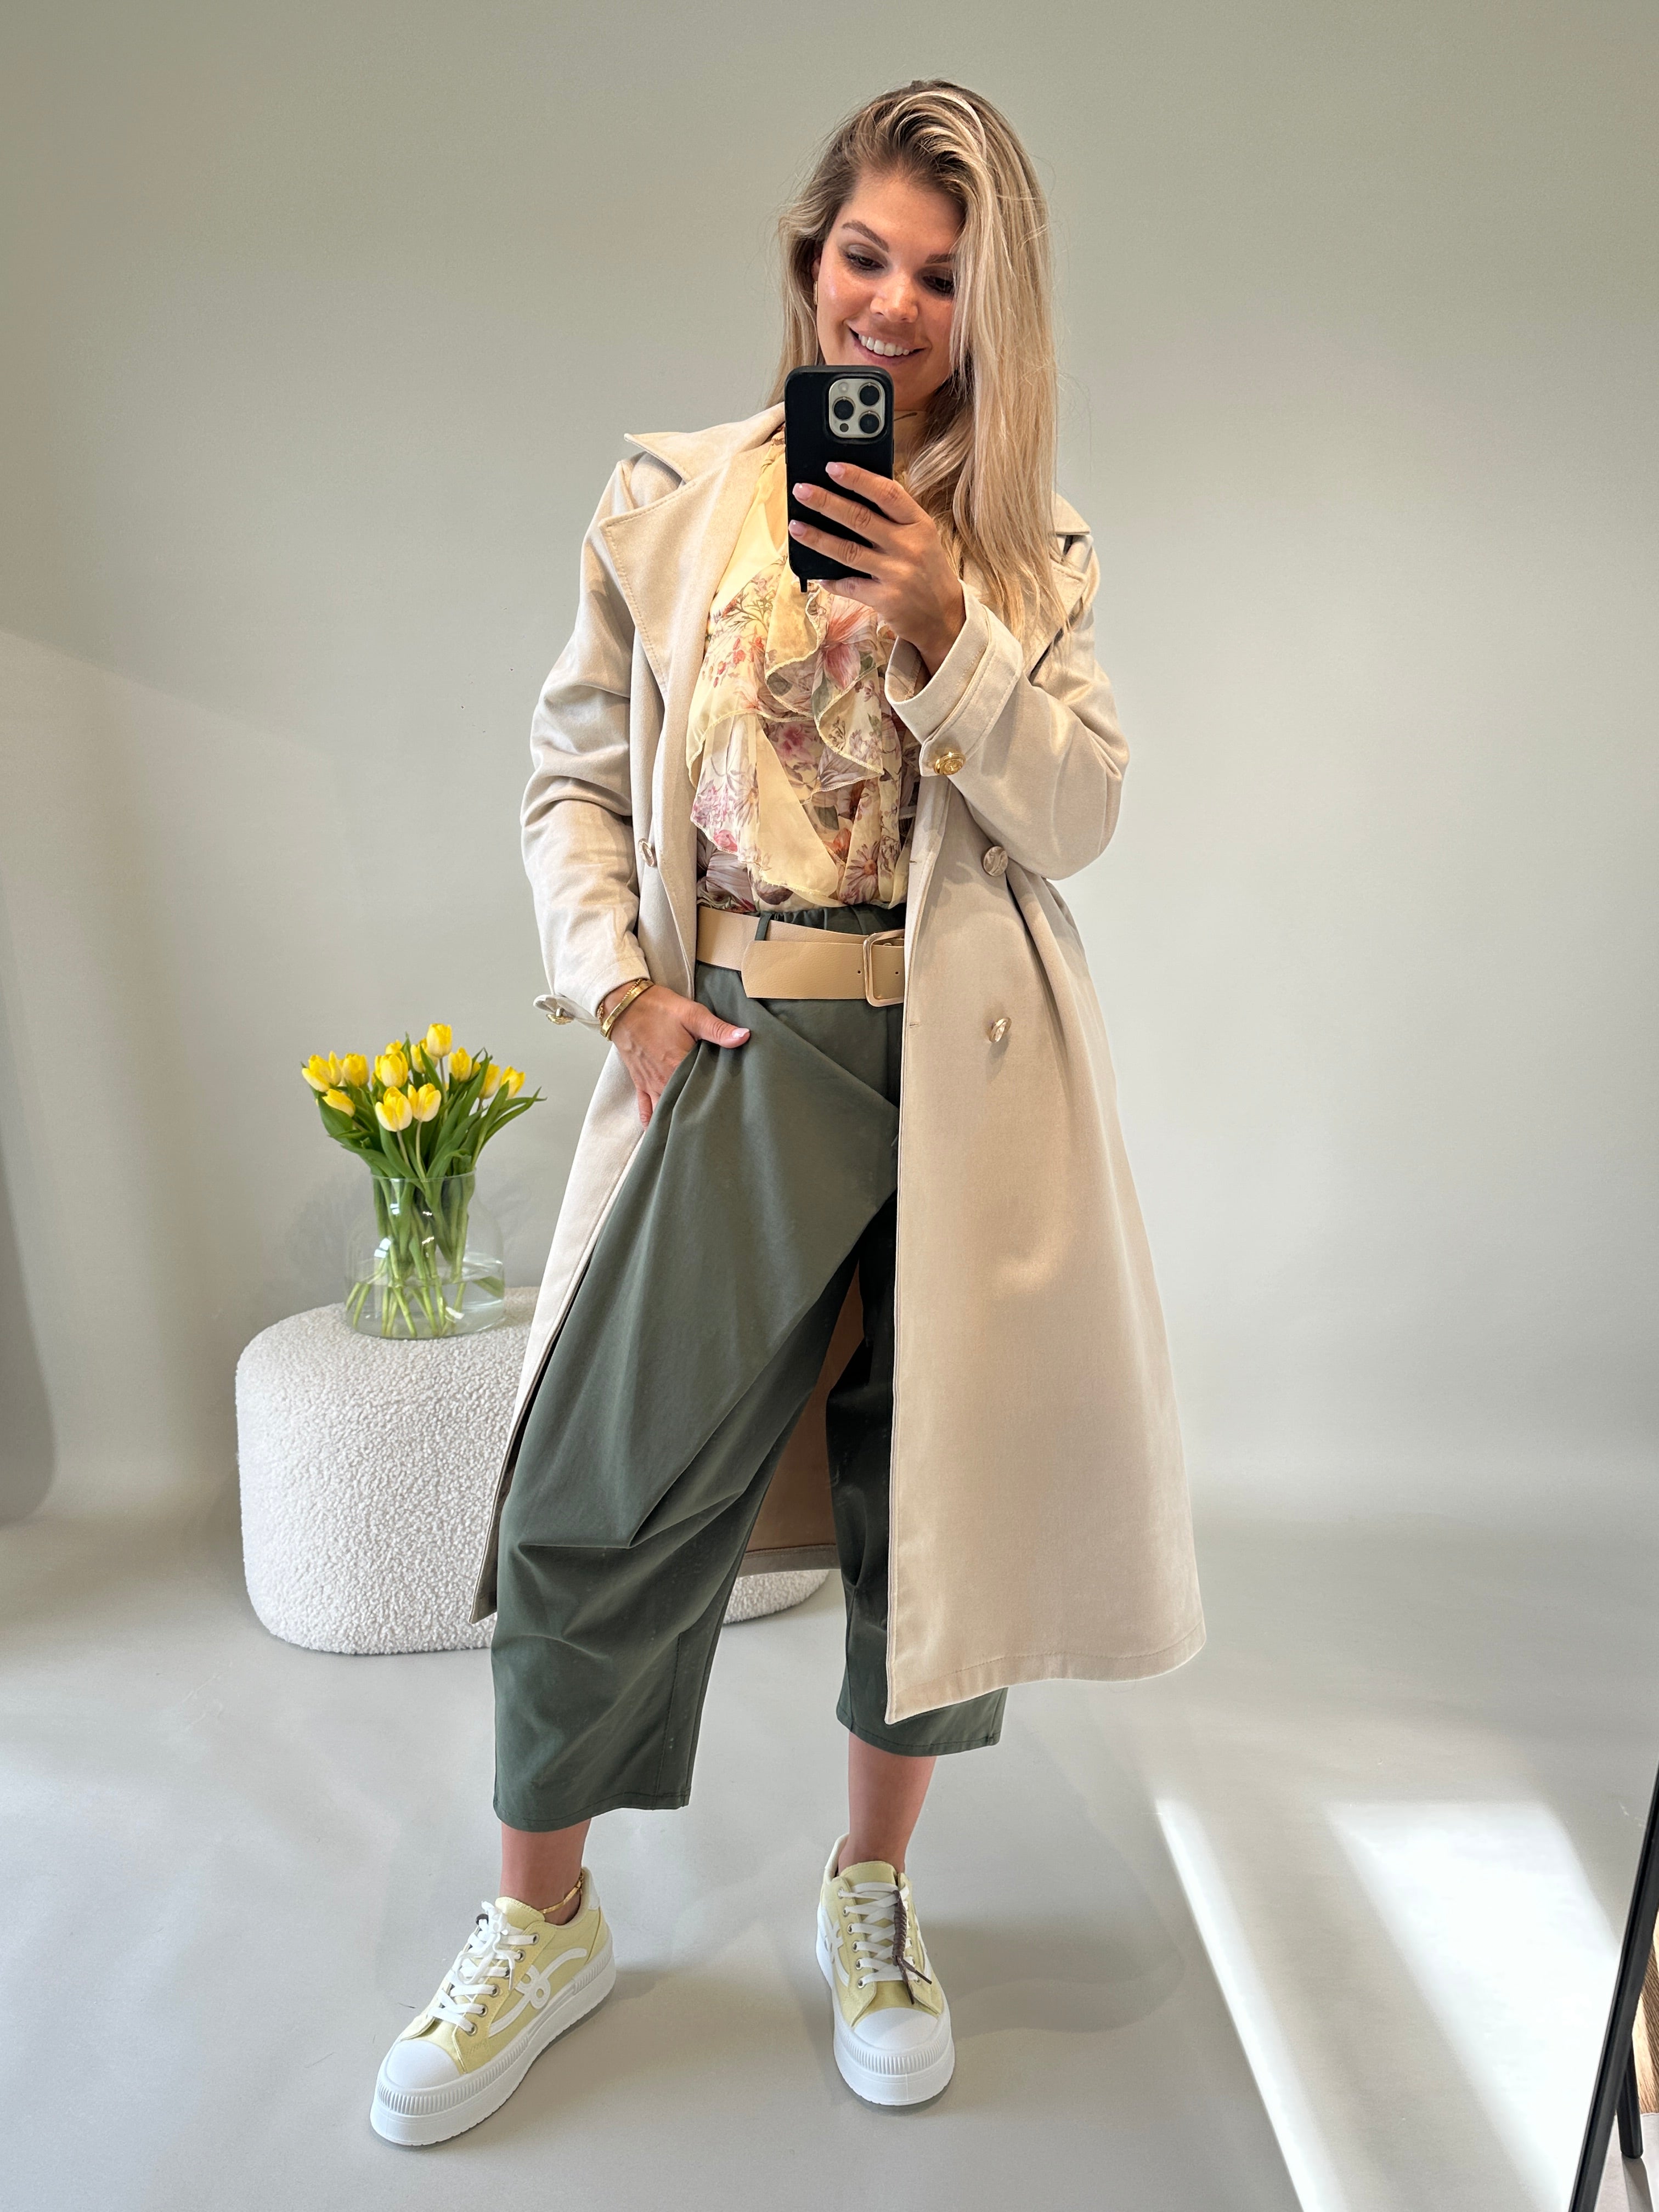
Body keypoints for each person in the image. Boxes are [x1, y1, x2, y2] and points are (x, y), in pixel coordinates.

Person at [370, 80, 1204, 2147]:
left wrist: (946, 628)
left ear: (994, 311)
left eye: (943, 276)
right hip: (743, 1047)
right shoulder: (671, 496)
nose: (892, 306)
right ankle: (542, 1918)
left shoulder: (1027, 554)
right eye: (865, 256)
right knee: (589, 1490)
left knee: (933, 1507)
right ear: (807, 257)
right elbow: (575, 777)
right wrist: (621, 990)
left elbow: (1081, 816)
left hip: (968, 1081)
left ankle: (873, 1894)